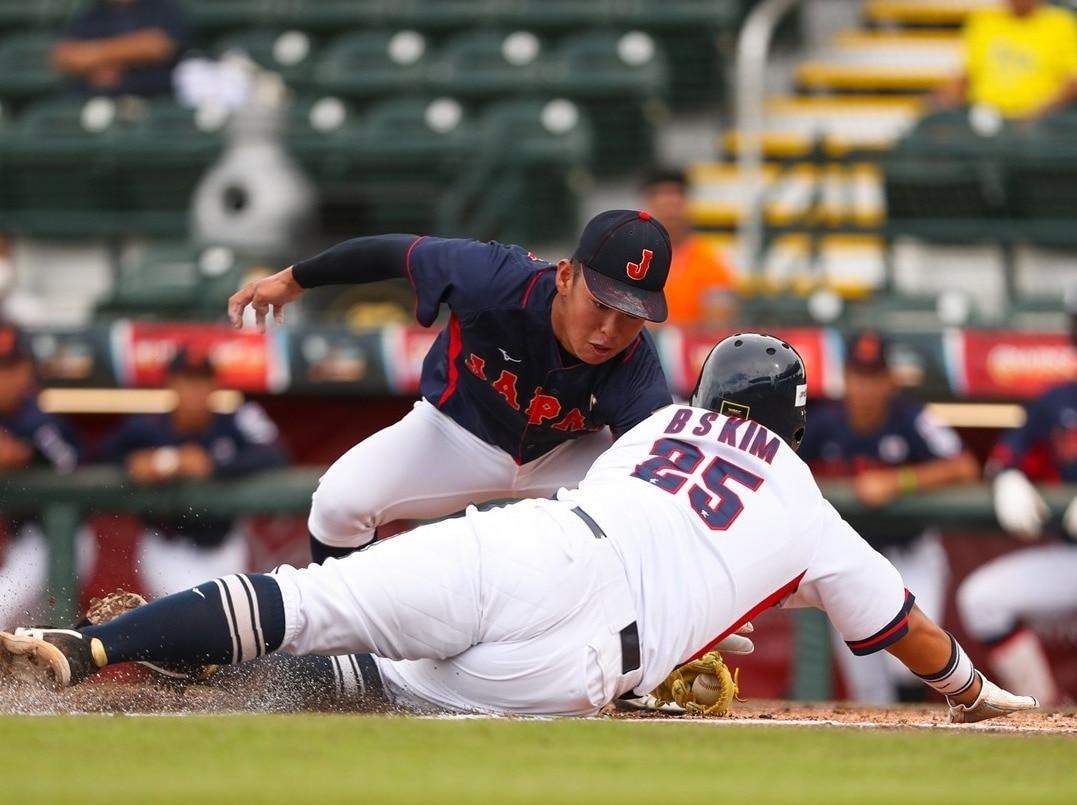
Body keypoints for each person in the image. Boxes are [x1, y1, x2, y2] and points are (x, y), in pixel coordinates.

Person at [0, 333, 1038, 724]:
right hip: (580, 661)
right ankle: (214, 692)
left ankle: (93, 647)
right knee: (378, 692)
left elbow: (661, 523)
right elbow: (906, 628)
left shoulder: (664, 424)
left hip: (528, 543)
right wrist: (973, 690)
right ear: (789, 417)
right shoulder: (807, 498)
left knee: (307, 604)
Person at [226, 211, 675, 563]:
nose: (610, 330)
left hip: (568, 455)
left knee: (639, 527)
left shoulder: (638, 368)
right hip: (459, 431)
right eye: (599, 304)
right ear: (564, 277)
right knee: (338, 504)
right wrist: (292, 279)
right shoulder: (493, 277)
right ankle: (349, 653)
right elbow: (394, 253)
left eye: (631, 315)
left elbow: (656, 487)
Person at [797, 330, 979, 704]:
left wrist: (899, 480)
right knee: (868, 685)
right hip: (850, 557)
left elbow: (965, 466)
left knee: (908, 662)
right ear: (846, 377)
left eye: (875, 376)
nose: (866, 387)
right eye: (859, 376)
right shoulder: (824, 422)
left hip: (911, 551)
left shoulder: (911, 416)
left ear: (890, 379)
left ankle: (919, 749)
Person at [956, 293, 1077, 706]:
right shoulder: (1057, 402)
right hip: (1071, 555)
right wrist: (1008, 478)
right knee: (982, 599)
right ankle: (1047, 709)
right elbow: (1005, 457)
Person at [99, 346, 287, 597]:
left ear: (214, 385)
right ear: (172, 384)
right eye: (187, 380)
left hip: (223, 544)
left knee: (224, 626)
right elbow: (99, 455)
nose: (195, 390)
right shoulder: (146, 427)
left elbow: (275, 453)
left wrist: (214, 465)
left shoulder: (235, 420)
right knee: (191, 622)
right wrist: (131, 463)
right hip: (168, 545)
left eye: (202, 381)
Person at [0, 324, 90, 629]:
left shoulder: (39, 421)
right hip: (20, 542)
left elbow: (74, 468)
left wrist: (28, 454)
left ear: (27, 370)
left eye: (11, 367)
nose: (4, 378)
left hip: (58, 541)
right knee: (27, 639)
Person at [934, 0, 1077, 121]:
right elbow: (967, 73)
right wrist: (945, 100)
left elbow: (1072, 82)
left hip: (1040, 120)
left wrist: (1038, 114)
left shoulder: (1062, 24)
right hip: (983, 114)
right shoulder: (985, 21)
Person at [641, 168, 737, 328]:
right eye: (663, 199)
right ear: (649, 203)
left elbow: (718, 322)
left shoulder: (710, 261)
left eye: (675, 198)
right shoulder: (630, 255)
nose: (670, 209)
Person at [51, 0, 189, 98]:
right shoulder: (93, 12)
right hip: (97, 100)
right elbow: (62, 55)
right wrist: (116, 57)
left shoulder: (161, 7)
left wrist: (95, 57)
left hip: (155, 97)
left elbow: (156, 45)